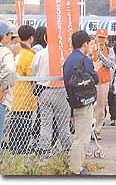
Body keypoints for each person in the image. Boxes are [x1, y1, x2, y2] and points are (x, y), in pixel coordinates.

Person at [31, 30, 71, 159]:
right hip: (61, 90)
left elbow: (34, 69)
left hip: (44, 90)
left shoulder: (40, 54)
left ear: (45, 38)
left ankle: (44, 151)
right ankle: (67, 150)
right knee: (63, 124)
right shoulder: (64, 54)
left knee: (45, 122)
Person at [63, 30, 99, 175]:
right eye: (89, 43)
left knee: (78, 134)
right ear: (85, 44)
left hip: (73, 101)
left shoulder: (69, 60)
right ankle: (76, 169)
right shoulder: (85, 60)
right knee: (82, 137)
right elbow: (95, 79)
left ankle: (74, 165)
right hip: (85, 102)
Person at [8, 25, 38, 154]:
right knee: (23, 124)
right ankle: (21, 150)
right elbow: (31, 75)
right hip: (25, 95)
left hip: (15, 93)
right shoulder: (29, 55)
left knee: (15, 123)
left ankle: (14, 149)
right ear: (31, 38)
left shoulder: (16, 51)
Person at [92, 29, 115, 139]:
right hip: (90, 82)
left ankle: (97, 130)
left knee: (101, 106)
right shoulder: (90, 47)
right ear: (96, 37)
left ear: (106, 39)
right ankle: (89, 128)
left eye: (103, 37)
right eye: (99, 37)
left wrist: (100, 54)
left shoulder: (109, 50)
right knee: (90, 106)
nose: (101, 39)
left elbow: (110, 63)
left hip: (103, 82)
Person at [0, 21, 16, 146]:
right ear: (4, 36)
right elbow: (9, 70)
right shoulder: (5, 52)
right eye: (10, 35)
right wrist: (3, 88)